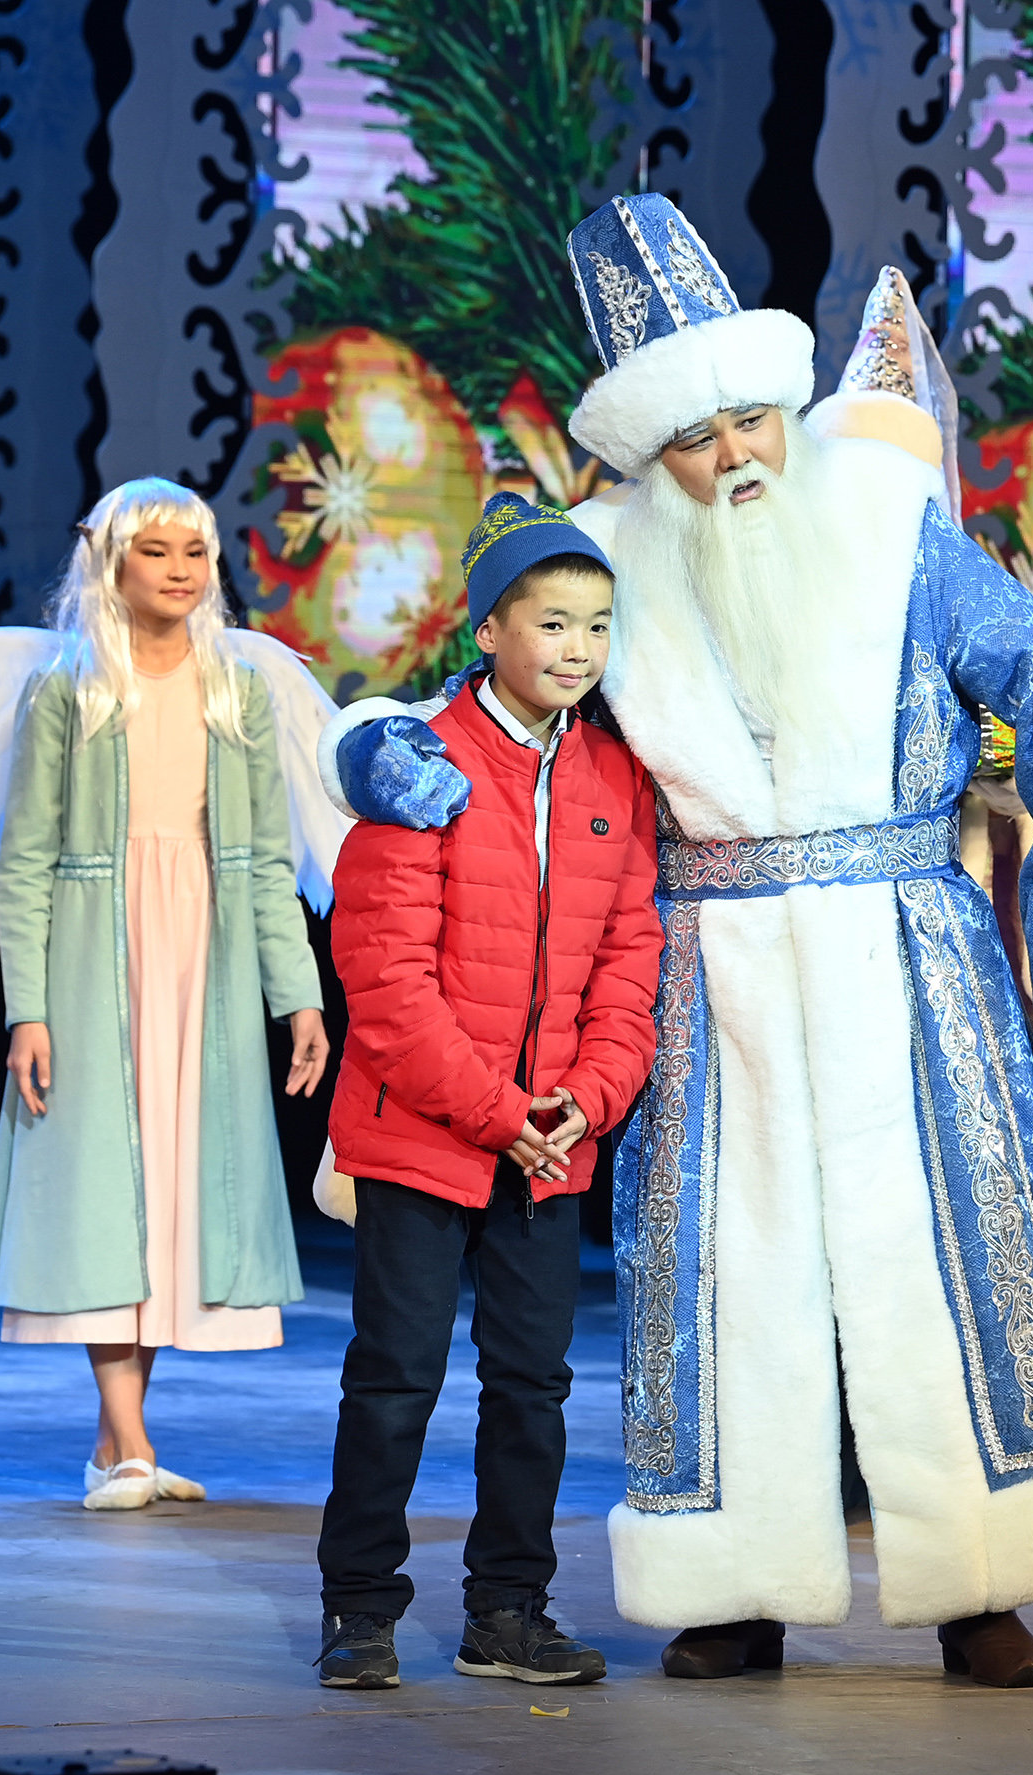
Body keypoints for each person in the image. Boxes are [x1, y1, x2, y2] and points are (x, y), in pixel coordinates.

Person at [330, 193, 1033, 1688]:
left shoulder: (893, 524)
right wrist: (368, 747)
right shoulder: (605, 565)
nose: (733, 457)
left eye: (749, 421)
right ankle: (735, 1581)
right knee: (732, 1276)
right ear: (648, 453)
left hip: (910, 960)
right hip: (710, 976)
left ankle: (982, 1580)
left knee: (939, 1259)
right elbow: (482, 695)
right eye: (694, 438)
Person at [311, 496, 663, 1690]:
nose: (579, 648)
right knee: (396, 1378)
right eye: (554, 623)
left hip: (550, 1144)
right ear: (492, 631)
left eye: (598, 626)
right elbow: (385, 984)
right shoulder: (419, 766)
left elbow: (631, 959)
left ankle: (508, 1611)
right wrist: (502, 1115)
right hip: (425, 1134)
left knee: (532, 1387)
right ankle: (360, 1608)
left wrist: (588, 1098)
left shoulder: (615, 772)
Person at [0, 479, 332, 1510]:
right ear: (112, 563)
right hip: (98, 957)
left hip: (203, 961)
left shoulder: (236, 690)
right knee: (103, 1189)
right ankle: (129, 1440)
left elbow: (265, 861)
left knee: (177, 1194)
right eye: (156, 551)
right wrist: (28, 1008)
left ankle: (117, 1444)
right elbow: (25, 862)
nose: (179, 570)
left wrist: (298, 997)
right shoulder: (69, 691)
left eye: (194, 551)